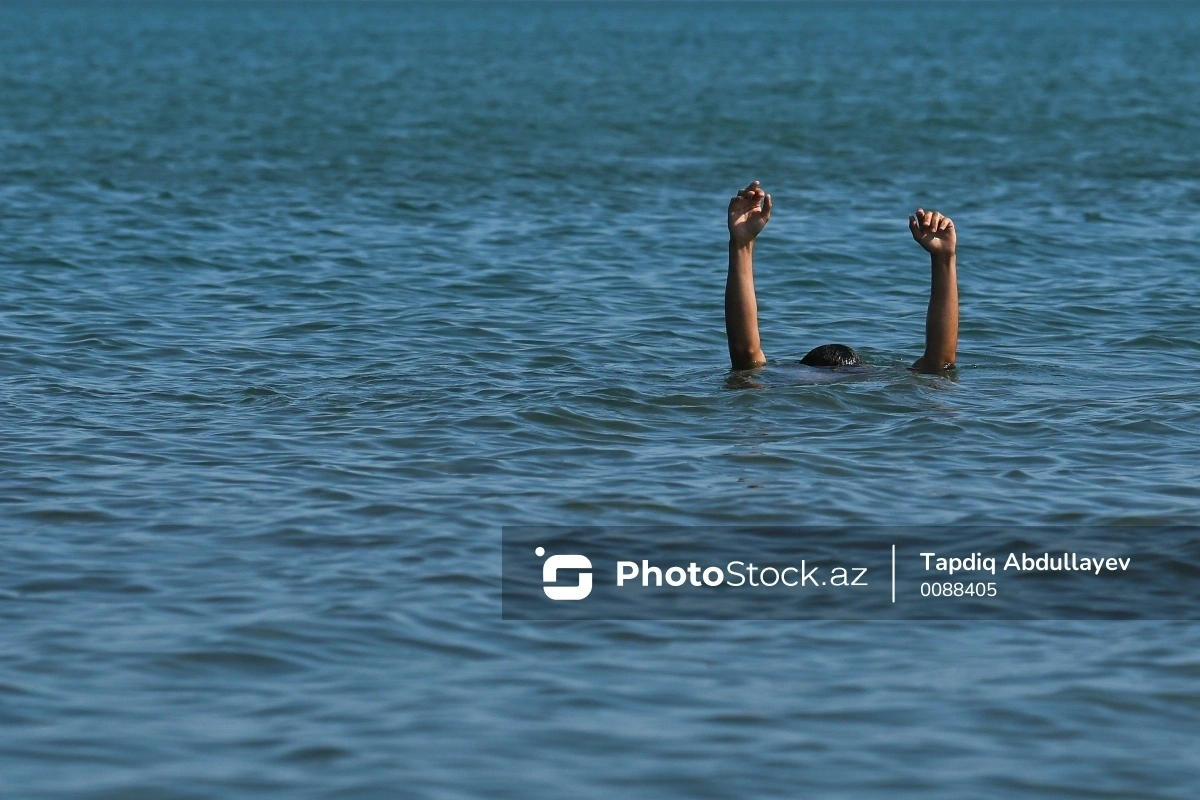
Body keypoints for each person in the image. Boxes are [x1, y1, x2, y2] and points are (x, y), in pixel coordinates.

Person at [724, 181, 958, 374]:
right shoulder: (876, 381)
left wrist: (741, 245)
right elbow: (940, 362)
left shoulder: (784, 380)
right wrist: (944, 259)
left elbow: (746, 354)